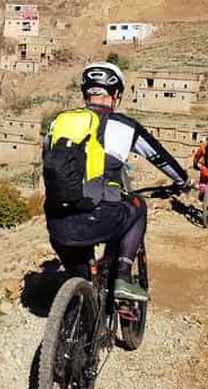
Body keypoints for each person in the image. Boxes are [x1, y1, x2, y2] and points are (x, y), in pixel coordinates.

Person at [42, 62, 189, 302]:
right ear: (117, 95)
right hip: (101, 216)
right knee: (138, 207)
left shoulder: (58, 124)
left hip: (59, 224)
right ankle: (122, 274)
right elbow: (160, 158)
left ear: (85, 93)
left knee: (84, 290)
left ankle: (79, 311)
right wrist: (182, 181)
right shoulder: (125, 126)